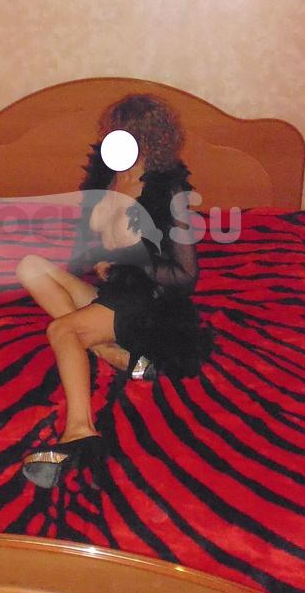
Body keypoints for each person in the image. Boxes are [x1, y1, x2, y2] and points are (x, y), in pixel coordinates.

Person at [15, 94, 204, 489]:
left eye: (125, 134)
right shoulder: (105, 178)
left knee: (62, 330)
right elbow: (86, 247)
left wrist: (126, 262)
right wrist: (97, 259)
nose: (112, 142)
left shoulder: (169, 193)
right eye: (111, 133)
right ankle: (109, 352)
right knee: (29, 266)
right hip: (112, 293)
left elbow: (185, 275)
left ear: (151, 139)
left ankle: (80, 430)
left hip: (146, 302)